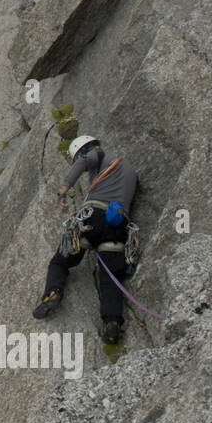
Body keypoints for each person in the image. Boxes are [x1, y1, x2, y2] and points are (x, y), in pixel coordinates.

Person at [31, 135, 137, 344]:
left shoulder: (98, 155)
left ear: (83, 150)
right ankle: (112, 323)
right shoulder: (131, 172)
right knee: (110, 278)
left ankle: (52, 293)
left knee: (60, 260)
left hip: (92, 218)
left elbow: (85, 161)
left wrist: (64, 189)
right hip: (117, 227)